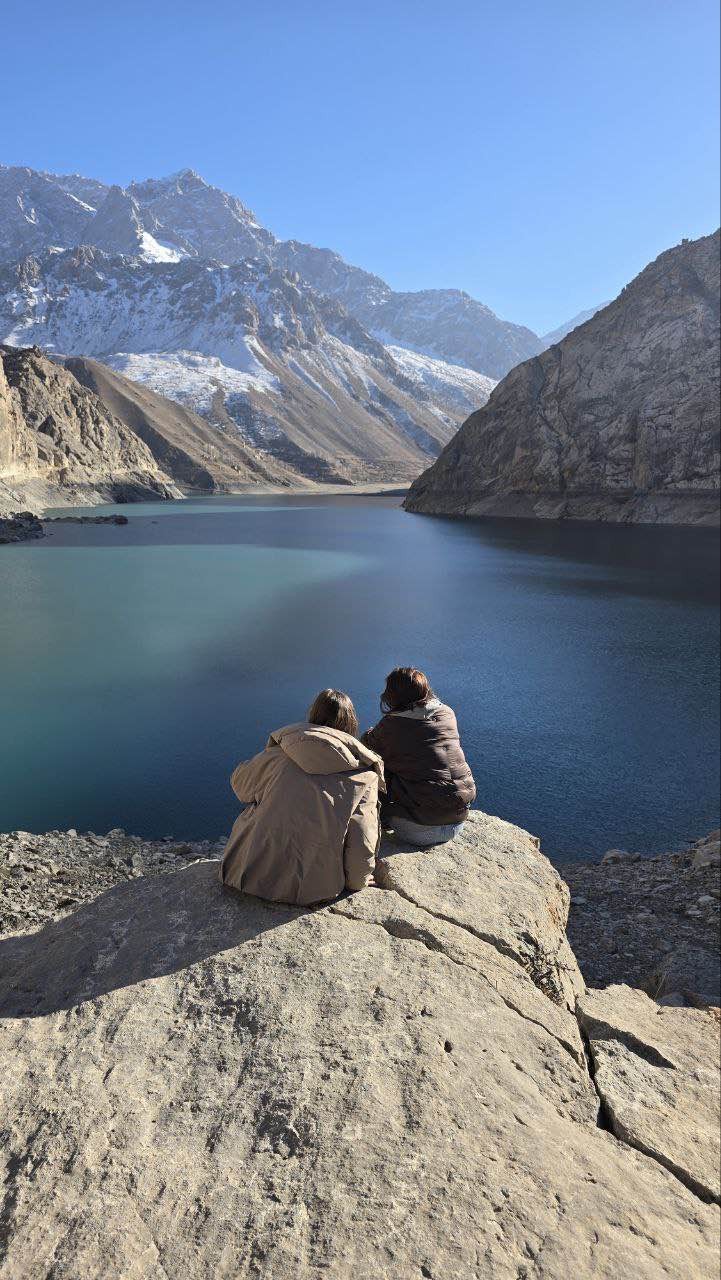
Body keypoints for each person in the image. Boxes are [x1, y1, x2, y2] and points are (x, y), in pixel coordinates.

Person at [220, 689, 384, 906]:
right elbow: (361, 837)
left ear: (313, 714)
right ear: (351, 722)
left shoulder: (280, 754)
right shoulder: (364, 776)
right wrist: (358, 881)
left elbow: (240, 785)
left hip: (245, 873)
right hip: (310, 890)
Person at [362, 667, 475, 847]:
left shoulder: (394, 723)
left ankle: (373, 823)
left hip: (418, 829)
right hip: (458, 820)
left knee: (374, 764)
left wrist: (371, 733)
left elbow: (367, 745)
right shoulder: (447, 712)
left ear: (394, 695)